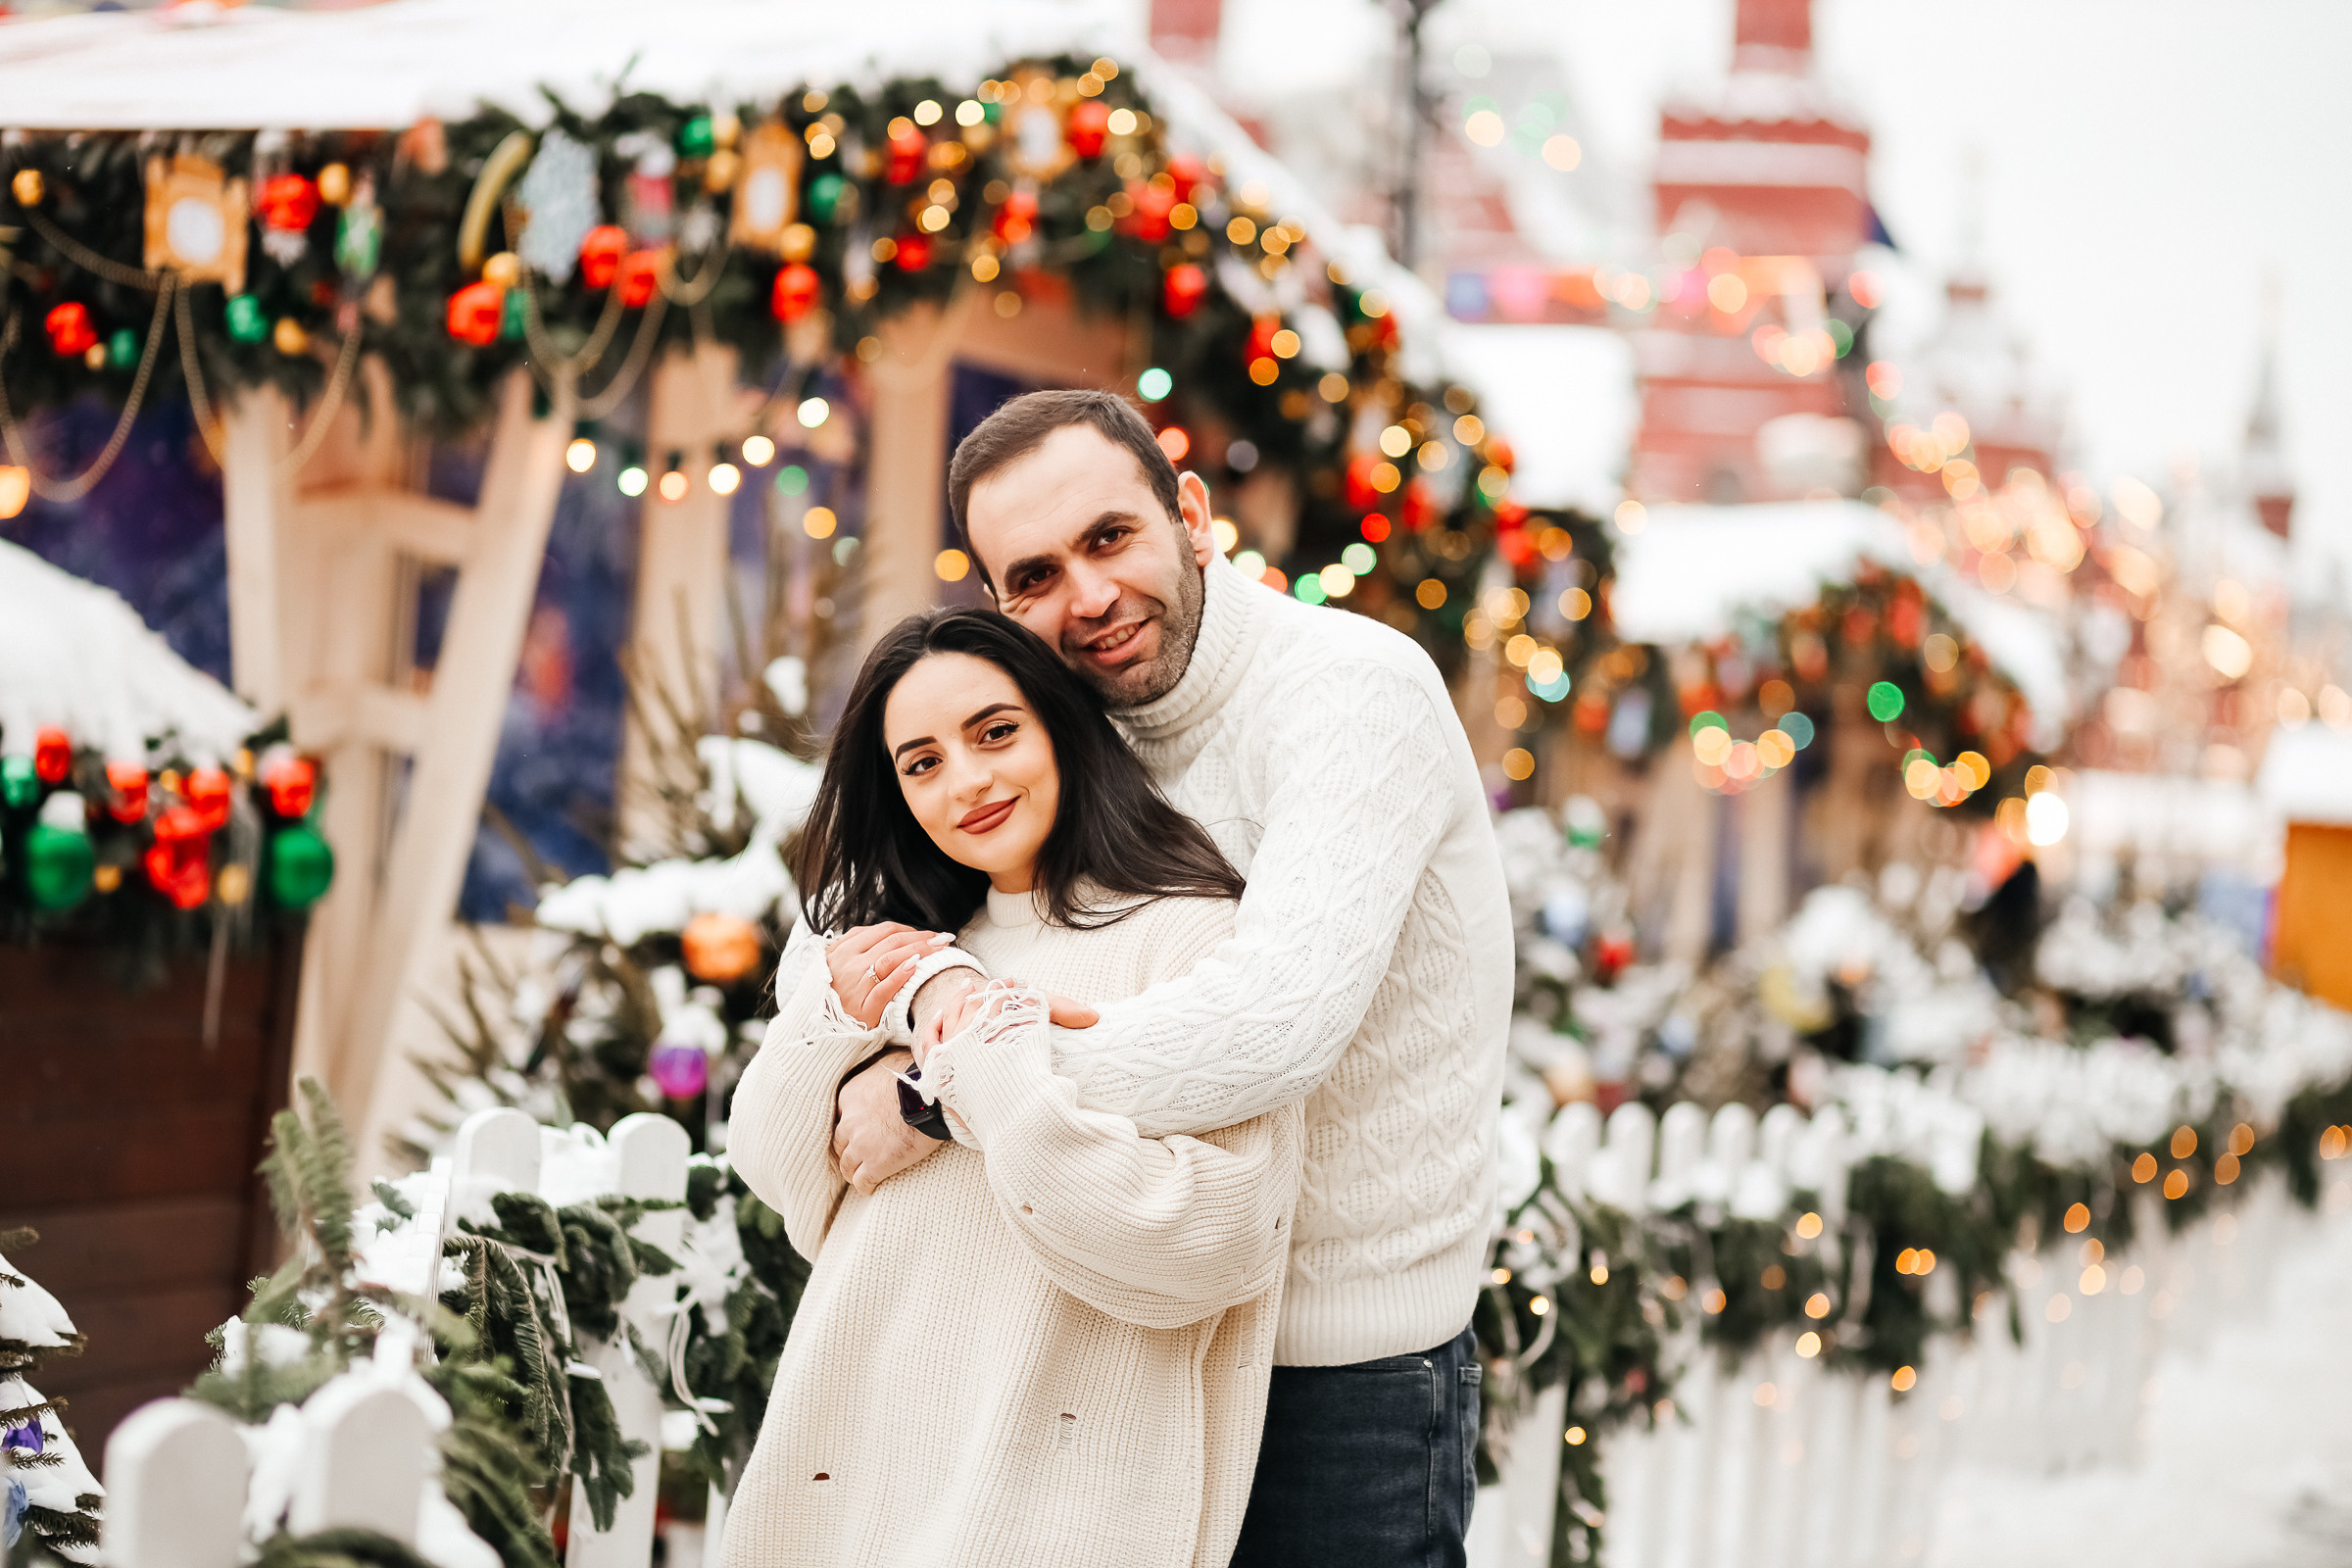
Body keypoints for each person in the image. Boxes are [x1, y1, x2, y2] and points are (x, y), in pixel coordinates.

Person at [831, 389, 1513, 1566]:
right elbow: (869, 910)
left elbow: (1267, 1026)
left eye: (1110, 539)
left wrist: (938, 1093)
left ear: (1190, 514)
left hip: (1333, 1370)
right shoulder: (1066, 725)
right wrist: (912, 994)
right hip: (1121, 1346)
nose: (1088, 600)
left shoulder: (1351, 693)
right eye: (1034, 577)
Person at [723, 607, 1303, 1568]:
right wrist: (854, 1009)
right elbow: (780, 1171)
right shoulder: (913, 948)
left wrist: (963, 1086)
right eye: (922, 762)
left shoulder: (1194, 937)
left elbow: (1221, 1238)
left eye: (996, 732)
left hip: (1054, 1506)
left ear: (1060, 725)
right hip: (848, 1484)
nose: (970, 782)